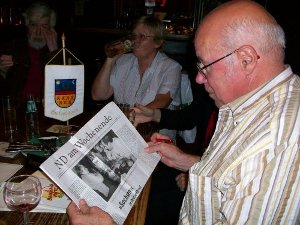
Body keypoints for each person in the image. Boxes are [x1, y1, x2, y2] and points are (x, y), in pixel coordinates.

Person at [67, 1, 300, 224]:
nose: (198, 78)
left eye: (204, 65)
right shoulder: (250, 104)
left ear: (246, 59)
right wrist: (188, 161)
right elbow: (235, 173)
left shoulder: (276, 143)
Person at [91, 15, 181, 112]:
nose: (135, 41)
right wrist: (110, 60)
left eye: (142, 36)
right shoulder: (123, 61)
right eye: (134, 36)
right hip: (124, 124)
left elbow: (161, 102)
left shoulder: (170, 67)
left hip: (153, 126)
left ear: (157, 43)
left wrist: (128, 118)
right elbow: (98, 95)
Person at [0, 1, 58, 105]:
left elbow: (64, 86)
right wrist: (2, 72)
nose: (38, 32)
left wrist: (54, 52)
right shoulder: (12, 47)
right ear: (27, 26)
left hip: (47, 110)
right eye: (33, 25)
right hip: (18, 109)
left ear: (51, 29)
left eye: (44, 26)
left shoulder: (58, 52)